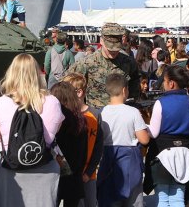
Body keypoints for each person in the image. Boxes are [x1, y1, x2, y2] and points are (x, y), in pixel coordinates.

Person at [0, 53, 64, 207]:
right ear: (37, 74)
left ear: (12, 73)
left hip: (10, 169)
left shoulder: (3, 102)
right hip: (44, 169)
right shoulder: (52, 102)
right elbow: (56, 130)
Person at [146, 65, 189, 207]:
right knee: (178, 198)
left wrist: (142, 126)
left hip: (163, 155)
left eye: (164, 81)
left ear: (171, 83)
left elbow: (154, 132)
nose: (163, 83)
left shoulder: (161, 102)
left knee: (163, 199)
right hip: (185, 155)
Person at [97, 73, 149, 207]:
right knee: (133, 199)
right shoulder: (133, 112)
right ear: (125, 90)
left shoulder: (101, 113)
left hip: (107, 159)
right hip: (130, 160)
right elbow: (144, 139)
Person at [67, 23, 140, 109]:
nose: (113, 52)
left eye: (116, 48)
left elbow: (135, 87)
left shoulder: (128, 62)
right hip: (95, 113)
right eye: (110, 48)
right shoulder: (87, 63)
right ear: (101, 41)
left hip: (119, 113)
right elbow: (67, 86)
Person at [62, 72, 102, 207]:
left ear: (79, 92)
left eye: (67, 91)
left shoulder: (94, 115)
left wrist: (89, 172)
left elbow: (98, 147)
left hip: (88, 175)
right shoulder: (65, 115)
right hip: (70, 175)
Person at [50, 81, 88, 207]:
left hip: (55, 174)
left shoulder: (54, 121)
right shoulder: (80, 121)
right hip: (74, 175)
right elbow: (84, 151)